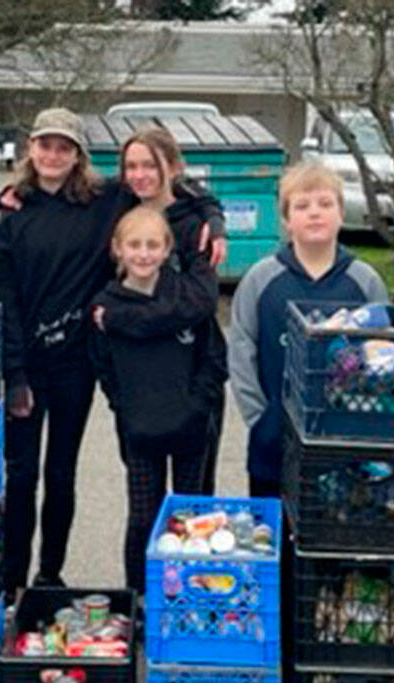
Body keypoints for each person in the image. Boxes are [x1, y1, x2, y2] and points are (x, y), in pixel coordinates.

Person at [0, 107, 137, 592]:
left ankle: (50, 573)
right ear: (31, 150)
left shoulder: (105, 202)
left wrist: (212, 221)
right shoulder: (13, 218)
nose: (53, 155)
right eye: (45, 145)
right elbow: (1, 301)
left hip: (76, 366)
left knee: (62, 474)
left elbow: (168, 190)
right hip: (26, 368)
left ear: (78, 156)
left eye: (64, 147)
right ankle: (11, 582)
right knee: (22, 477)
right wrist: (15, 374)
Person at [227, 162, 387, 498]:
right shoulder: (261, 279)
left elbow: (384, 357)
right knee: (273, 537)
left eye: (325, 204)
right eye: (302, 206)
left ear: (342, 213)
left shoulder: (364, 281)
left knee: (335, 533)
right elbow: (242, 350)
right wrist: (261, 418)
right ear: (286, 220)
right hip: (274, 438)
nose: (315, 213)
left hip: (345, 438)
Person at [91, 205, 227, 590]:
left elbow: (214, 356)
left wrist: (198, 403)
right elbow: (103, 366)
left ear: (167, 249)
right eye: (134, 244)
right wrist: (125, 405)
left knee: (189, 517)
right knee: (143, 519)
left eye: (153, 244)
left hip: (191, 427)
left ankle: (188, 592)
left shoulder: (187, 299)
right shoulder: (106, 306)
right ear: (118, 249)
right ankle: (141, 596)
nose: (144, 253)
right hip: (140, 430)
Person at [113, 126, 227, 493]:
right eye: (131, 166)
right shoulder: (119, 214)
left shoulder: (196, 225)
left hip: (194, 377)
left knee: (194, 502)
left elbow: (201, 301)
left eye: (149, 165)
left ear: (173, 167)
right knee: (144, 507)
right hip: (141, 389)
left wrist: (128, 320)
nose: (139, 175)